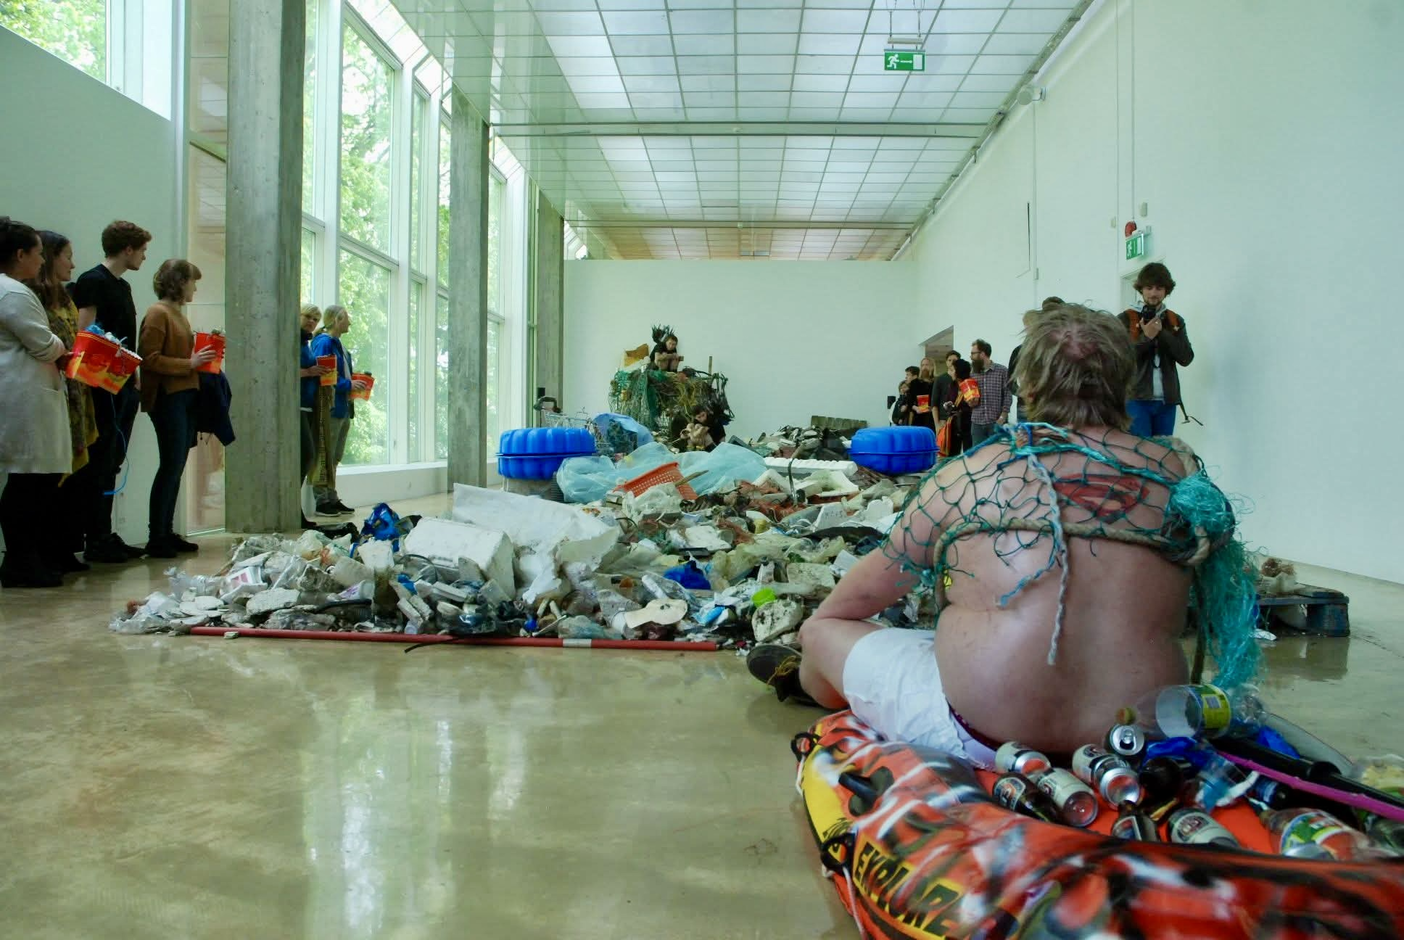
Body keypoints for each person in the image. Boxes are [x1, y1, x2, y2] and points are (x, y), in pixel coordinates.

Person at [747, 304, 1255, 765]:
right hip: (1140, 734)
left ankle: (815, 686)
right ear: (1124, 382)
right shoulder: (1178, 472)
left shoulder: (968, 474)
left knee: (822, 630)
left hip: (983, 735)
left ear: (1026, 386)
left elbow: (856, 601)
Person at [69, 220, 152, 563]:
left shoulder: (123, 285)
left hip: (124, 384)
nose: (144, 257)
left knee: (114, 460)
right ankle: (95, 536)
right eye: (142, 250)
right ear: (127, 249)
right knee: (100, 460)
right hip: (101, 385)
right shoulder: (92, 281)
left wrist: (133, 373)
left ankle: (104, 532)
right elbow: (85, 331)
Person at [0, 217, 73, 588]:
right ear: (20, 254)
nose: (42, 260)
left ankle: (25, 559)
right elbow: (44, 344)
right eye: (38, 253)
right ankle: (20, 561)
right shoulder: (12, 293)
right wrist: (61, 345)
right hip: (25, 396)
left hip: (27, 391)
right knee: (30, 482)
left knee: (33, 480)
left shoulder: (13, 291)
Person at [25, 231, 99, 572]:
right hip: (51, 389)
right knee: (48, 479)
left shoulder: (66, 297)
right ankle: (42, 551)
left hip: (75, 390)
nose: (72, 263)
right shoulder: (32, 298)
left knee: (75, 478)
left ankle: (65, 547)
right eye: (66, 256)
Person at [137, 259, 215, 558]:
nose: (195, 288)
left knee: (176, 466)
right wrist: (190, 363)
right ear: (180, 282)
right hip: (167, 397)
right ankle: (157, 535)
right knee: (170, 466)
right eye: (193, 282)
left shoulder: (177, 314)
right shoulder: (158, 313)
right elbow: (149, 358)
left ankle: (166, 532)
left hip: (183, 395)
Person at [1118, 263, 1194, 438]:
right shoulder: (1125, 319)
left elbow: (1186, 358)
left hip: (1167, 401)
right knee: (1140, 450)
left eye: (1159, 288)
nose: (1153, 293)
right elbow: (1120, 358)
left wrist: (1162, 333)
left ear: (1166, 290)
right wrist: (1146, 337)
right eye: (1149, 288)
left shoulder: (1175, 320)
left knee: (1163, 451)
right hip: (1136, 399)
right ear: (1141, 289)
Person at [310, 305, 367, 516]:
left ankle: (331, 496)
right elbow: (324, 374)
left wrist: (353, 382)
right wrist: (347, 384)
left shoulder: (340, 346)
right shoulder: (324, 343)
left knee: (334, 456)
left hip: (343, 407)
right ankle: (322, 500)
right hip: (331, 407)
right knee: (325, 453)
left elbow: (337, 374)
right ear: (337, 320)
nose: (350, 322)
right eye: (347, 318)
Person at [298, 304, 330, 528]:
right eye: (308, 317)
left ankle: (295, 508)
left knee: (307, 457)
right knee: (306, 455)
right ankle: (294, 508)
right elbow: (282, 370)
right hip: (297, 405)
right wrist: (309, 372)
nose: (311, 322)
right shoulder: (294, 342)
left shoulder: (306, 343)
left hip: (308, 405)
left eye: (315, 319)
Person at [1007, 299, 1060, 423]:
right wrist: (1022, 392)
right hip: (1025, 408)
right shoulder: (1018, 351)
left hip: (1046, 408)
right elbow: (1010, 381)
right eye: (1027, 327)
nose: (1029, 331)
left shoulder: (1050, 350)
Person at [967, 339, 1010, 446]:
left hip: (996, 422)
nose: (971, 357)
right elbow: (968, 397)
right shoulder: (971, 373)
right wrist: (969, 402)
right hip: (977, 424)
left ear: (982, 354)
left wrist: (1003, 417)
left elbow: (1008, 395)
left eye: (973, 353)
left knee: (998, 453)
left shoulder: (1002, 371)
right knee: (978, 454)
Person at [907, 357, 936, 433]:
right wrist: (916, 408)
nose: (924, 367)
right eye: (922, 365)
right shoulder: (914, 383)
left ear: (932, 367)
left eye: (927, 365)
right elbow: (909, 400)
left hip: (933, 417)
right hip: (918, 418)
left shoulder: (936, 382)